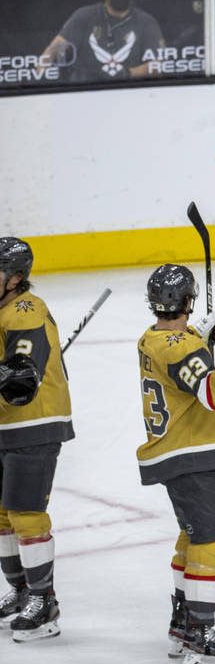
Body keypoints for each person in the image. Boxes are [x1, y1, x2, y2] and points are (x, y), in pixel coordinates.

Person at [137, 263, 215, 664]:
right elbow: (211, 394)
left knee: (191, 540)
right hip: (192, 454)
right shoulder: (179, 346)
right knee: (211, 542)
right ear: (188, 300)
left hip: (178, 452)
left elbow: (184, 369)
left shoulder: (154, 337)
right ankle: (200, 636)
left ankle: (184, 624)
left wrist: (200, 339)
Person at [0, 239, 73, 642]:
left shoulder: (27, 310)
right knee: (3, 516)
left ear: (15, 278)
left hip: (34, 421)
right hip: (6, 423)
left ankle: (44, 602)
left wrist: (8, 371)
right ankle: (20, 590)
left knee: (26, 515)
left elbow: (21, 378)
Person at [41, 0, 166, 82]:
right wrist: (41, 91)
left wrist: (126, 74)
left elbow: (158, 64)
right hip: (85, 92)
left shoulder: (146, 21)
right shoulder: (84, 16)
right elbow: (51, 52)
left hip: (130, 91)